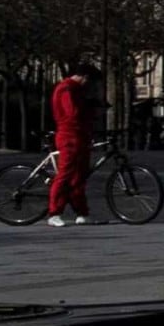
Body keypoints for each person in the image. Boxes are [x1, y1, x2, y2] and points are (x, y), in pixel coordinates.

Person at [46, 62, 95, 225]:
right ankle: (54, 213)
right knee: (65, 174)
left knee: (78, 176)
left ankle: (82, 213)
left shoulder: (74, 89)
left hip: (78, 135)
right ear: (85, 77)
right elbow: (71, 113)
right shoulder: (67, 89)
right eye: (89, 80)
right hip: (69, 135)